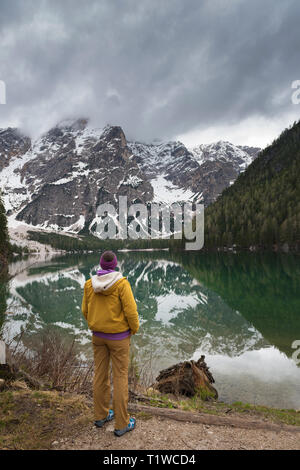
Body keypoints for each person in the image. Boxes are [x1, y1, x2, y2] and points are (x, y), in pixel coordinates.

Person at [81, 250, 139, 437]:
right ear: (114, 265)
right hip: (119, 338)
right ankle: (122, 423)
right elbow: (131, 312)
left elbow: (85, 310)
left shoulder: (90, 284)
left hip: (98, 336)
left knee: (100, 374)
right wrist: (134, 329)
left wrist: (96, 324)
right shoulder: (122, 284)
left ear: (101, 265)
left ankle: (101, 415)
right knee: (120, 377)